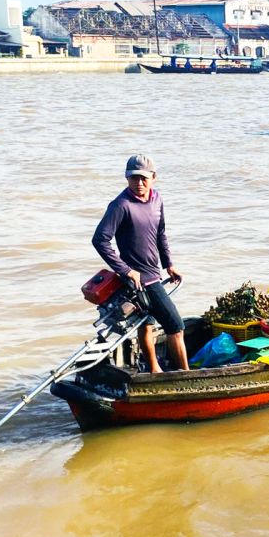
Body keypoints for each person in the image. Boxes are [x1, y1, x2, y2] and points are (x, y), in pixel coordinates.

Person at [92, 154, 189, 373]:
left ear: (154, 177)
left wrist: (169, 264)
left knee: (146, 324)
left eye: (144, 178)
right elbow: (100, 240)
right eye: (134, 178)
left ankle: (155, 372)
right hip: (139, 281)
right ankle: (187, 375)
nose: (139, 183)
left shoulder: (157, 200)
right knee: (176, 327)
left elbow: (160, 233)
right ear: (127, 179)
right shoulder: (120, 205)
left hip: (154, 272)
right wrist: (126, 270)